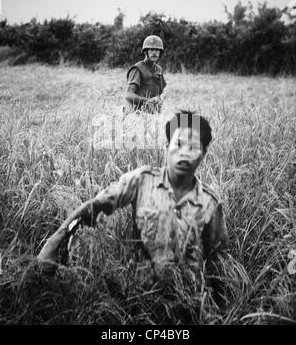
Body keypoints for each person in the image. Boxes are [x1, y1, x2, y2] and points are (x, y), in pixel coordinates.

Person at [38, 111, 228, 307]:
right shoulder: (142, 181)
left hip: (188, 303)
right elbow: (96, 205)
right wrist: (55, 241)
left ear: (204, 154)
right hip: (140, 301)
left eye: (193, 147)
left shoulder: (210, 203)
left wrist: (219, 308)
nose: (184, 153)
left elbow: (217, 261)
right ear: (166, 147)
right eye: (178, 144)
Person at [125, 35, 167, 113]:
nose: (154, 53)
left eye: (157, 50)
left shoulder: (159, 69)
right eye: (151, 50)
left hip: (154, 113)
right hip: (137, 114)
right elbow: (129, 95)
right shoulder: (137, 69)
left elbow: (162, 92)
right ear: (145, 52)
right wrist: (147, 101)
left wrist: (161, 98)